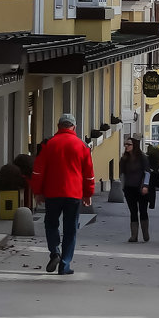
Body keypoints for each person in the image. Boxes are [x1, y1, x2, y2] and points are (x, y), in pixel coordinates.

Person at [30, 113, 95, 276]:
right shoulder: (82, 146)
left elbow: (38, 171)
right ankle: (65, 264)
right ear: (74, 127)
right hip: (74, 193)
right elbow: (89, 173)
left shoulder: (49, 144)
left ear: (59, 126)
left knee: (51, 224)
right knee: (71, 229)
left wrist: (37, 192)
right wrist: (88, 193)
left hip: (52, 193)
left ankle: (55, 252)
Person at [119, 137, 151, 243]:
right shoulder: (124, 159)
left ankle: (145, 233)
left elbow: (147, 172)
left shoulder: (142, 157)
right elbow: (122, 174)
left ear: (134, 146)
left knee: (143, 210)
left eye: (129, 144)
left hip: (141, 188)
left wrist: (145, 185)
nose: (126, 146)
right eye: (125, 144)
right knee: (133, 211)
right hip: (129, 188)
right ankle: (134, 235)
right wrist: (123, 187)